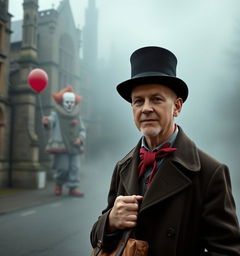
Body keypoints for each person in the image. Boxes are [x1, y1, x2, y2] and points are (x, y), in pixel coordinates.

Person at [90, 46, 240, 255]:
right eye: (138, 101)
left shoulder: (210, 172)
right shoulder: (122, 167)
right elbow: (96, 237)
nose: (146, 108)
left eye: (156, 99)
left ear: (177, 107)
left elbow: (227, 251)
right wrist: (111, 221)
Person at [42, 85, 86, 197]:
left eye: (72, 102)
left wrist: (80, 139)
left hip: (74, 146)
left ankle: (73, 188)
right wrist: (47, 122)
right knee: (63, 168)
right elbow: (50, 122)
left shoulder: (77, 115)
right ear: (62, 102)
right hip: (62, 146)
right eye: (67, 102)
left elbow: (82, 130)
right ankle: (59, 185)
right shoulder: (56, 114)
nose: (70, 104)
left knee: (75, 168)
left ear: (74, 102)